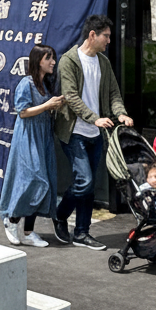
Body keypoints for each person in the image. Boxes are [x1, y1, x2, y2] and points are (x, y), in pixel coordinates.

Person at [53, 14, 133, 250]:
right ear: (92, 35)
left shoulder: (103, 63)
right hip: (74, 132)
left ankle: (82, 232)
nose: (108, 40)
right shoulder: (69, 60)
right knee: (85, 181)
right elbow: (71, 97)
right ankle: (60, 215)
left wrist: (120, 113)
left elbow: (114, 94)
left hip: (96, 134)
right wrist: (94, 118)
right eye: (105, 36)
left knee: (86, 184)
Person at [0, 44, 65, 247]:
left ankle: (28, 232)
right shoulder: (25, 83)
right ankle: (11, 221)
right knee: (32, 180)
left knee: (44, 183)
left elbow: (42, 109)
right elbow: (23, 111)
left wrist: (55, 106)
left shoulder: (44, 84)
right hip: (28, 136)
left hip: (43, 136)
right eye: (48, 58)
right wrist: (47, 105)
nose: (53, 62)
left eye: (53, 58)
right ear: (38, 61)